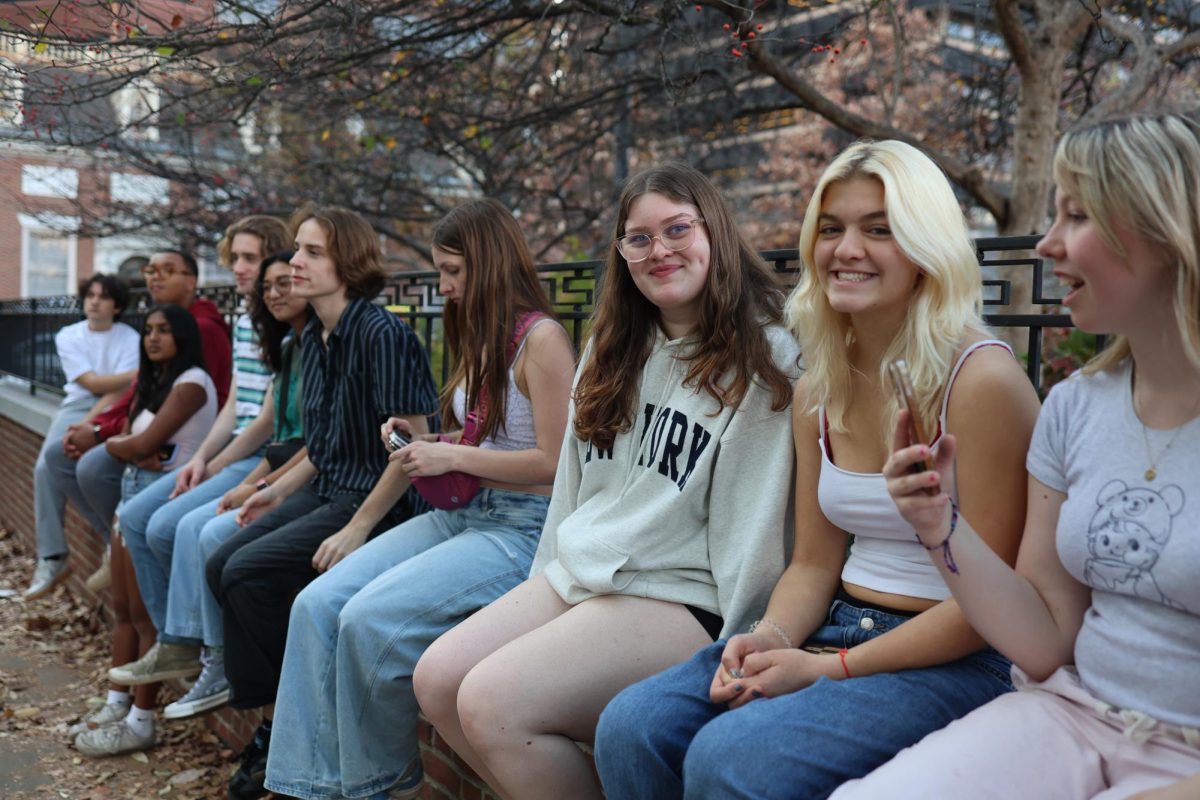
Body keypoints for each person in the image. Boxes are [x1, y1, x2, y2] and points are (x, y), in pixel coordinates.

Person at [593, 141, 1041, 800]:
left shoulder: (984, 382)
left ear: (927, 245)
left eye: (878, 229)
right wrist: (768, 639)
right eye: (831, 229)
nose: (847, 248)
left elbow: (989, 613)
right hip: (837, 622)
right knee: (634, 726)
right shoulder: (819, 384)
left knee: (732, 760)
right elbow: (812, 562)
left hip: (957, 656)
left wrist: (825, 669)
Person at [828, 114, 1200, 800]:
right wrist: (939, 525)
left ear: (1166, 231)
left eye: (1078, 216)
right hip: (1072, 715)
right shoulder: (1074, 406)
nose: (1048, 244)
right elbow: (1043, 638)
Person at [413, 163, 801, 799]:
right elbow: (571, 486)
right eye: (638, 238)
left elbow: (756, 522)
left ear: (716, 232)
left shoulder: (766, 359)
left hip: (685, 594)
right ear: (621, 254)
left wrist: (745, 642)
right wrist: (547, 577)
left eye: (678, 229)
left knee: (490, 701)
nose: (659, 251)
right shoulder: (611, 348)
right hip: (587, 568)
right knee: (436, 679)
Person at [263, 198, 576, 800]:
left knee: (367, 620)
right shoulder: (483, 335)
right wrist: (424, 443)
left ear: (488, 263)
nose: (446, 286)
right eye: (441, 271)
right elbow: (484, 439)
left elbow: (555, 464)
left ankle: (379, 786)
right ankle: (305, 786)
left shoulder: (543, 340)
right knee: (316, 604)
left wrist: (452, 456)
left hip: (523, 528)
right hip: (462, 514)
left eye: (453, 271)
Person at [204, 206, 439, 800]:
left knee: (248, 573)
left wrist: (359, 528)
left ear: (348, 262)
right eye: (297, 250)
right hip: (329, 488)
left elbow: (415, 446)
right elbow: (321, 444)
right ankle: (283, 716)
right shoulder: (318, 335)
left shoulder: (382, 333)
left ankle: (278, 727)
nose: (295, 262)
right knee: (220, 563)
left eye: (311, 252)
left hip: (375, 501)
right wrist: (269, 491)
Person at [107, 216, 291, 688]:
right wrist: (202, 460)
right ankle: (177, 640)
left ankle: (198, 648)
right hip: (234, 448)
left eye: (251, 259)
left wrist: (218, 463)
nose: (240, 270)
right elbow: (235, 403)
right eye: (237, 260)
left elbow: (268, 420)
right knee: (134, 517)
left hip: (262, 457)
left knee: (178, 526)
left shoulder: (283, 324)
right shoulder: (247, 318)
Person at [159, 251, 311, 721]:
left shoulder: (326, 347)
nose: (274, 293)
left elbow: (318, 445)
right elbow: (272, 427)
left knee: (208, 535)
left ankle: (224, 666)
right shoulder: (288, 347)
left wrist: (260, 485)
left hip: (310, 479)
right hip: (277, 467)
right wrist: (229, 474)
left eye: (284, 282)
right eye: (268, 286)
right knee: (170, 524)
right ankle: (185, 644)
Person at [71, 304, 218, 757]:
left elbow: (144, 445)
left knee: (145, 615)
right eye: (148, 330)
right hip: (134, 491)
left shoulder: (193, 381)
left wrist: (121, 447)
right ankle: (118, 704)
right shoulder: (152, 382)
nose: (153, 338)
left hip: (160, 494)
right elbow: (136, 447)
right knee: (121, 609)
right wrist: (130, 450)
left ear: (184, 336)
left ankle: (142, 720)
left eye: (164, 330)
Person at [54, 249, 233, 592]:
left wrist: (111, 438)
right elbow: (140, 391)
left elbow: (180, 404)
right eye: (151, 270)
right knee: (57, 458)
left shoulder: (201, 329)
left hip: (181, 446)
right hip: (149, 436)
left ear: (192, 281)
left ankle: (119, 547)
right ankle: (105, 546)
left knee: (92, 468)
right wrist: (101, 428)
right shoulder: (163, 325)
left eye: (168, 270)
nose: (156, 277)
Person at [25, 273, 139, 599]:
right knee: (45, 468)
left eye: (103, 296)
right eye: (90, 295)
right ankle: (53, 557)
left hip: (118, 406)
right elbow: (90, 384)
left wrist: (93, 421)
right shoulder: (69, 335)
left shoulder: (129, 337)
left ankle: (111, 541)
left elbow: (120, 391)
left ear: (116, 305)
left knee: (77, 463)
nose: (94, 301)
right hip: (77, 405)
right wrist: (131, 376)